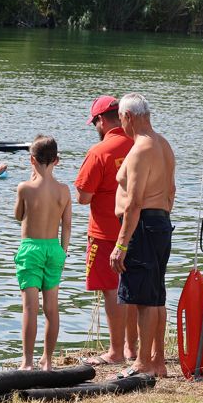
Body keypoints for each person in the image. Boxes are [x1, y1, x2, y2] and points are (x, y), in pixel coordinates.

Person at [110, 93, 175, 379]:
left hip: (143, 225)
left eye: (121, 119)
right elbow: (171, 192)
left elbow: (134, 203)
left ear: (128, 117)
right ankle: (158, 361)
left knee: (144, 298)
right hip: (160, 222)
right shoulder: (163, 144)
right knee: (156, 294)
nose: (121, 124)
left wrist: (121, 244)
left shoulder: (140, 149)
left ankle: (143, 362)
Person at [75, 95, 137, 366]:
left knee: (112, 290)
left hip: (105, 233)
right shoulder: (139, 144)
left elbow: (83, 196)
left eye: (94, 123)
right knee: (133, 289)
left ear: (101, 120)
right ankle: (132, 348)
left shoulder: (99, 151)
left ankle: (115, 351)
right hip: (137, 230)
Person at [14, 135, 71, 371]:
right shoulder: (64, 190)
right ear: (57, 160)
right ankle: (48, 360)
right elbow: (67, 226)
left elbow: (18, 216)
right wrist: (63, 252)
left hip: (31, 249)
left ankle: (27, 362)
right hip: (55, 249)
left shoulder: (25, 188)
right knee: (51, 308)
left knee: (30, 308)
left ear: (32, 160)